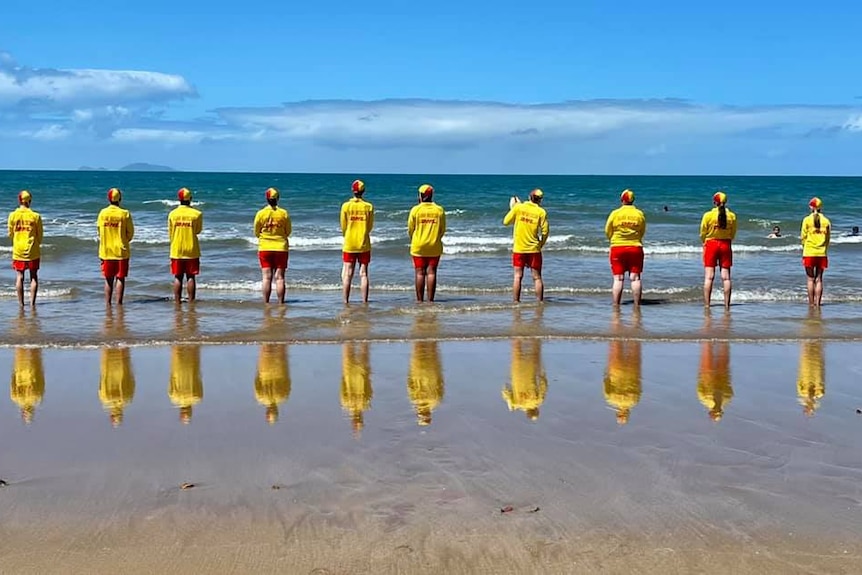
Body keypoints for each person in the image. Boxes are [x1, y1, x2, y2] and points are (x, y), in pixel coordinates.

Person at [503, 188, 549, 303]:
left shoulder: (519, 207)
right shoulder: (541, 212)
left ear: (529, 197)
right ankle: (539, 302)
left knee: (518, 276)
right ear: (540, 200)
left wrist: (513, 208)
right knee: (537, 277)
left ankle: (516, 302)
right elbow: (545, 231)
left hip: (519, 249)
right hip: (534, 249)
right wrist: (541, 244)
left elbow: (506, 222)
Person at [604, 189, 646, 306]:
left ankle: (616, 305)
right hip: (635, 247)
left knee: (618, 278)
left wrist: (613, 240)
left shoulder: (615, 213)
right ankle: (637, 304)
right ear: (633, 200)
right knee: (635, 278)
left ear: (622, 200)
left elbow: (608, 230)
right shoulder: (639, 214)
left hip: (617, 247)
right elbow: (642, 230)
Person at [407, 184, 446, 303]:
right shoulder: (439, 210)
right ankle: (430, 300)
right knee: (431, 272)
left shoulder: (415, 210)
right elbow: (442, 229)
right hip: (434, 245)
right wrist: (435, 238)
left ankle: (419, 301)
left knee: (419, 272)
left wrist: (414, 238)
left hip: (418, 245)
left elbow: (410, 228)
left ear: (421, 196)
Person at [97, 187, 135, 306]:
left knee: (108, 279)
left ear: (108, 199)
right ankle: (119, 303)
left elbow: (99, 230)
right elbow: (130, 233)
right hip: (121, 251)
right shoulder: (125, 213)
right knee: (120, 278)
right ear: (120, 199)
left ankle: (108, 303)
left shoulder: (103, 213)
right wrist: (124, 241)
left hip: (106, 250)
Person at [253, 187, 291, 304]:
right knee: (280, 277)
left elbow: (256, 231)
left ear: (267, 199)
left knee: (266, 277)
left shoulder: (261, 213)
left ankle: (266, 302)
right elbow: (288, 231)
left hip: (265, 247)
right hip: (281, 247)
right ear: (278, 198)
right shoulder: (283, 213)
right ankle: (280, 302)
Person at [700, 191, 737, 309]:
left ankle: (707, 304)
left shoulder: (708, 215)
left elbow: (702, 232)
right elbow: (733, 233)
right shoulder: (732, 216)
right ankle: (727, 305)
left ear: (714, 202)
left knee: (709, 276)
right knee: (726, 277)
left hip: (711, 243)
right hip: (725, 244)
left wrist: (704, 242)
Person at [340, 179, 374, 303]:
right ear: (363, 191)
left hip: (349, 242)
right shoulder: (368, 206)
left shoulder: (346, 206)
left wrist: (347, 234)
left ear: (352, 190)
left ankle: (345, 300)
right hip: (363, 242)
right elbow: (370, 226)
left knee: (348, 273)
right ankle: (364, 300)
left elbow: (343, 225)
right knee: (363, 273)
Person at [8, 190, 43, 307]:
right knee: (34, 277)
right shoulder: (35, 216)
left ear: (19, 200)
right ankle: (32, 304)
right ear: (30, 201)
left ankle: (21, 304)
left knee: (20, 276)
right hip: (33, 249)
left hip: (18, 250)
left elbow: (10, 233)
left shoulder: (12, 215)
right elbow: (40, 235)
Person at [168, 187, 203, 303]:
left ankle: (177, 301)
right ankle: (191, 301)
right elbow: (198, 230)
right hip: (191, 248)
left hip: (177, 248)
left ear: (179, 199)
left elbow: (170, 232)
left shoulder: (172, 214)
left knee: (178, 277)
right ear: (190, 199)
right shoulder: (197, 214)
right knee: (191, 277)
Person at [800, 197, 831, 307]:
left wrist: (805, 247)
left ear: (811, 207)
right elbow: (828, 239)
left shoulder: (807, 220)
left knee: (810, 279)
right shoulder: (826, 221)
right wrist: (824, 249)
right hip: (821, 252)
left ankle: (811, 303)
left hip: (809, 251)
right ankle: (818, 303)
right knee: (819, 279)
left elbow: (803, 237)